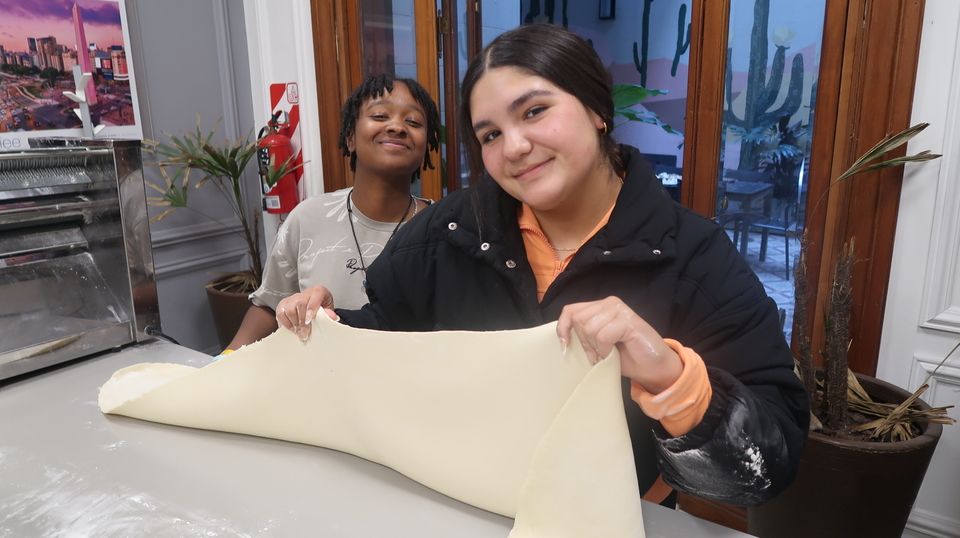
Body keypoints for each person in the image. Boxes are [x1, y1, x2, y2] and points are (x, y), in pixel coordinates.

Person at [275, 24, 809, 507]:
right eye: (489, 135)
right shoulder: (447, 234)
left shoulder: (693, 256)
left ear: (598, 110)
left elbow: (769, 464)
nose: (516, 146)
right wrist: (330, 324)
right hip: (450, 506)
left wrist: (671, 377)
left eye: (534, 112)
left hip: (612, 518)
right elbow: (388, 337)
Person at [225, 74, 440, 350]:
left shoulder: (443, 229)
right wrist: (224, 360)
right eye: (380, 115)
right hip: (318, 384)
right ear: (350, 137)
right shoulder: (308, 218)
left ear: (425, 148)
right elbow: (268, 306)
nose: (397, 127)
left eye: (413, 122)